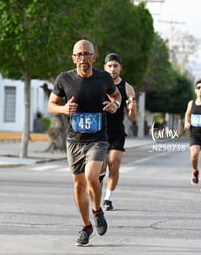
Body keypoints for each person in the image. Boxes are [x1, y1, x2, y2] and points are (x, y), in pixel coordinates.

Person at [48, 40, 122, 246]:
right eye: (78, 54)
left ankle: (97, 210)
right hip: (74, 141)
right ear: (73, 58)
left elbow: (116, 95)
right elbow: (51, 105)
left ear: (93, 57)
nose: (82, 58)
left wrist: (115, 105)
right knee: (79, 185)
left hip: (97, 138)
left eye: (86, 54)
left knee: (91, 176)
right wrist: (63, 109)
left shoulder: (103, 78)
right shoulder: (64, 79)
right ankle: (86, 226)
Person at [99, 53, 136, 211]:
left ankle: (108, 199)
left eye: (115, 66)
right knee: (101, 167)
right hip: (99, 131)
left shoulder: (127, 88)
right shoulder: (98, 83)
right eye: (109, 66)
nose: (112, 69)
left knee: (114, 164)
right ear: (104, 67)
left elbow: (132, 117)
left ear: (120, 68)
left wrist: (131, 108)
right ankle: (98, 188)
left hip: (117, 132)